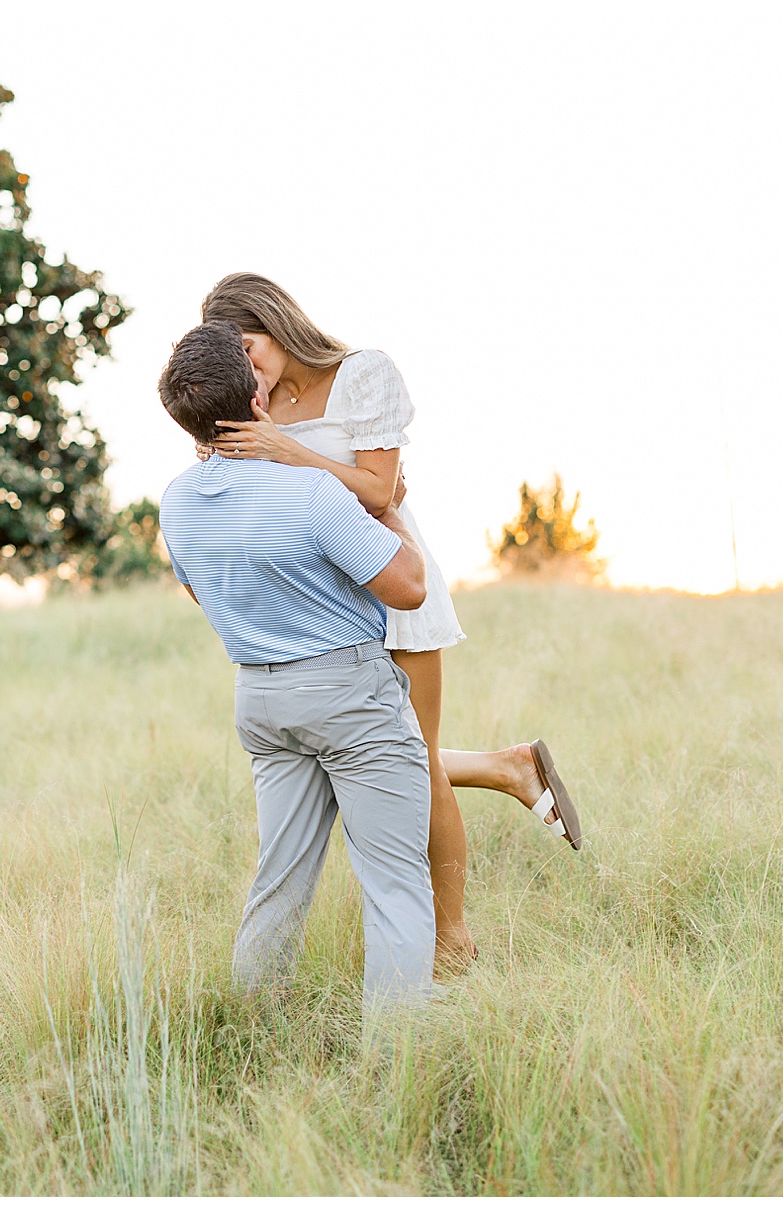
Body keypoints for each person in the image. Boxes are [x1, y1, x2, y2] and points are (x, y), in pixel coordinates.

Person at [200, 272, 580, 974]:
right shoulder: (247, 403)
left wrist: (288, 451)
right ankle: (508, 766)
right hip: (315, 605)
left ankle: (453, 936)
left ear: (274, 321)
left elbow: (380, 489)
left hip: (390, 584)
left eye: (249, 347)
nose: (247, 365)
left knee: (416, 761)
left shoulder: (361, 374)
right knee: (390, 755)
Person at [158, 320, 436, 1010]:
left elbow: (203, 593)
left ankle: (257, 1031)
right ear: (255, 398)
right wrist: (393, 512)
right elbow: (409, 586)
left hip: (260, 696)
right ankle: (400, 1061)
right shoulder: (312, 495)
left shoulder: (176, 502)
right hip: (349, 693)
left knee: (277, 880)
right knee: (396, 883)